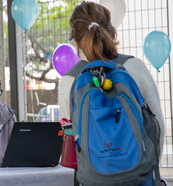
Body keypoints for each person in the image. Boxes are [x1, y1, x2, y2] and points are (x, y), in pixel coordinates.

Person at [58, 1, 167, 185]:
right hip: (139, 177)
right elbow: (158, 125)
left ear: (76, 41)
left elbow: (71, 136)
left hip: (93, 179)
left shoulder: (70, 80)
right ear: (112, 31)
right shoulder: (133, 67)